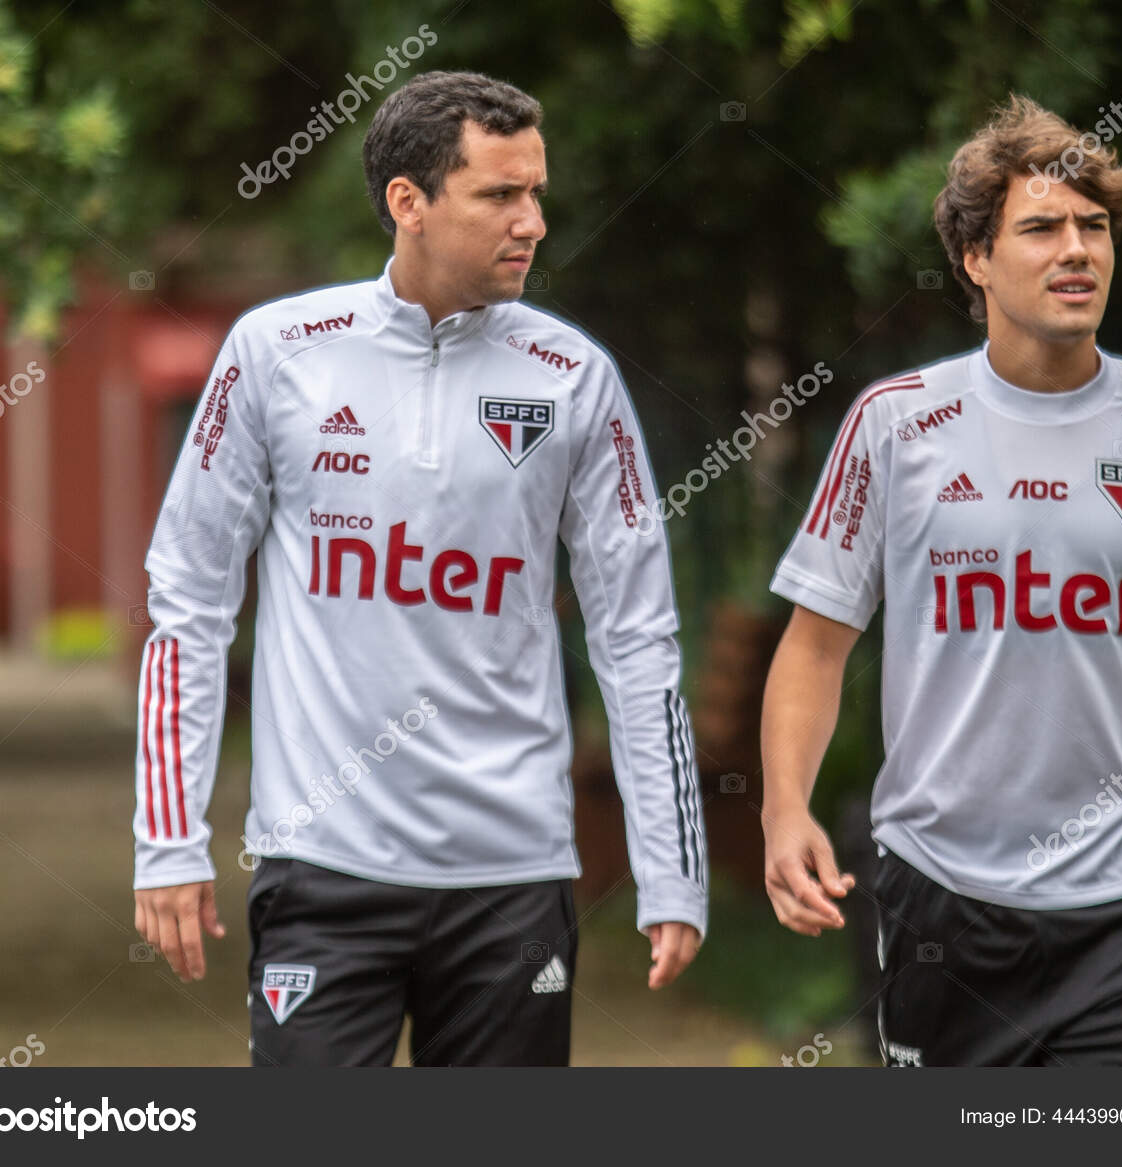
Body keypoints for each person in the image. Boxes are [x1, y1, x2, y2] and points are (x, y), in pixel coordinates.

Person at [131, 70, 707, 1067]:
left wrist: (670, 867)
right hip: (322, 869)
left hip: (512, 880)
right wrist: (170, 842)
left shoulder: (574, 377)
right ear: (409, 202)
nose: (530, 221)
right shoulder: (276, 354)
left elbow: (637, 637)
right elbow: (188, 602)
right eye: (498, 195)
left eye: (536, 193)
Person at [759, 95, 1122, 1067]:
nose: (1075, 248)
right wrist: (783, 808)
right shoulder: (894, 425)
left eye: (1092, 226)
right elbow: (815, 645)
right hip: (941, 899)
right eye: (1040, 227)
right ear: (976, 259)